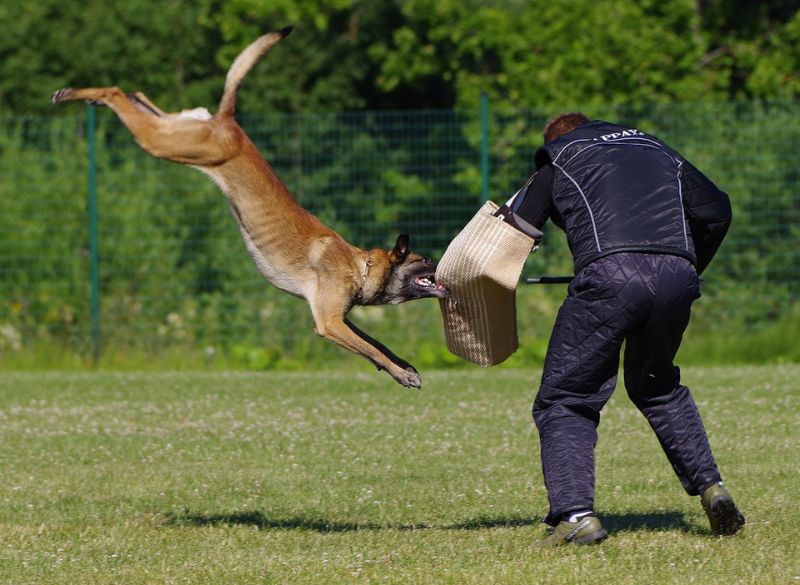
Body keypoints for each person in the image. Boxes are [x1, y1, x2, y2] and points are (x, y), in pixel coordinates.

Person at [511, 112, 744, 546]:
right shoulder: (656, 148)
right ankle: (713, 488)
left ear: (555, 139)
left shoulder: (559, 156)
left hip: (609, 276)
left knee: (567, 397)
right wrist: (689, 265)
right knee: (657, 386)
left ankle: (577, 515)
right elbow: (717, 211)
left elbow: (512, 233)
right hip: (678, 273)